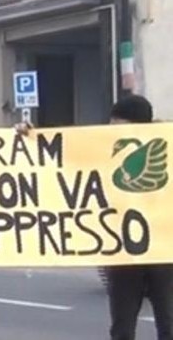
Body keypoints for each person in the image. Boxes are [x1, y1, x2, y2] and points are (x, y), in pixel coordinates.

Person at [18, 95, 173, 340]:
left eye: (119, 126)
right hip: (122, 253)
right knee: (122, 328)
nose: (112, 132)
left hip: (164, 253)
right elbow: (66, 154)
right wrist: (32, 136)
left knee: (168, 324)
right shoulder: (103, 147)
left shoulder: (166, 144)